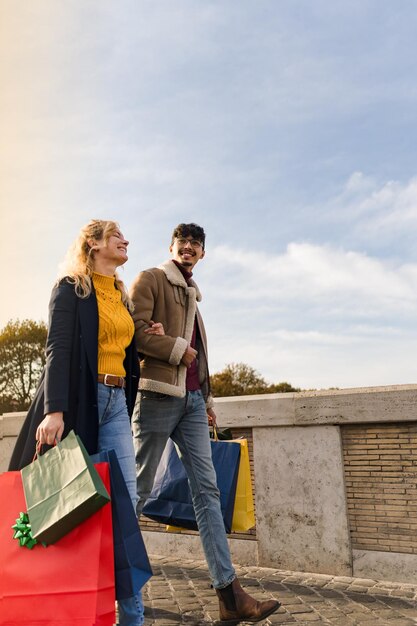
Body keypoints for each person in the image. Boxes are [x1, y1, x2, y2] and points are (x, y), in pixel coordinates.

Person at [9, 219, 162, 626]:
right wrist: (53, 410)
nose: (125, 240)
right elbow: (57, 348)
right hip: (82, 403)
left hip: (116, 403)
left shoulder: (121, 297)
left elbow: (122, 351)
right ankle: (82, 607)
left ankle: (130, 617)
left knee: (125, 506)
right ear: (93, 244)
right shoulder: (71, 288)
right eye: (116, 236)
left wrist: (148, 335)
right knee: (83, 505)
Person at [130, 222, 281, 623]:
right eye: (183, 241)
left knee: (208, 493)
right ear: (172, 246)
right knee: (138, 491)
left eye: (196, 243)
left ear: (202, 253)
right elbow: (134, 332)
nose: (189, 247)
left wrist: (208, 399)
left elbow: (201, 357)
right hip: (158, 398)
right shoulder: (151, 279)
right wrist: (176, 348)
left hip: (193, 403)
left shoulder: (194, 296)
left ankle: (229, 596)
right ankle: (106, 579)